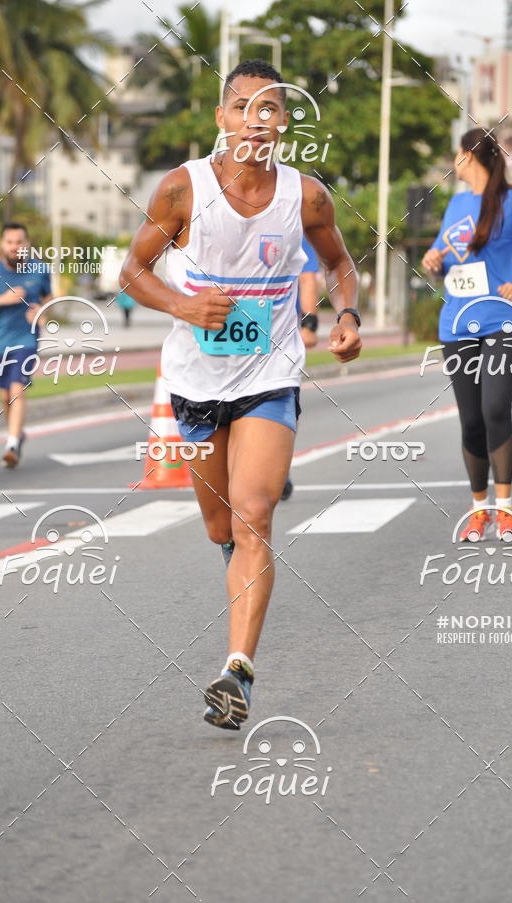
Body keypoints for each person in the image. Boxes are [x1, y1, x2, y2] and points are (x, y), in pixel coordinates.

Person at [120, 59, 362, 729]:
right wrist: (184, 306)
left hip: (270, 374)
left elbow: (340, 263)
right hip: (195, 382)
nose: (258, 119)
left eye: (271, 108)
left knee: (254, 515)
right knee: (221, 526)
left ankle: (237, 671)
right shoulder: (182, 189)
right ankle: (240, 562)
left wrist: (347, 318)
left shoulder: (306, 196)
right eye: (244, 107)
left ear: (284, 122)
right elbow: (131, 271)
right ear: (222, 119)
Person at [422, 128, 512, 541]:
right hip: (457, 324)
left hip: (506, 322)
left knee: (495, 408)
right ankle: (478, 509)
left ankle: (505, 511)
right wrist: (434, 260)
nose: (454, 162)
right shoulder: (456, 205)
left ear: (469, 157)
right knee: (470, 422)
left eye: (457, 155)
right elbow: (447, 258)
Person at [0, 223, 51, 468]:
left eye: (19, 242)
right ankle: (17, 433)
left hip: (27, 339)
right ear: (2, 244)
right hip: (0, 342)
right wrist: (3, 299)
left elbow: (48, 297)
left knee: (17, 388)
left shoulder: (40, 269)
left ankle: (11, 444)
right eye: (10, 242)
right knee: (5, 396)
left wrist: (42, 311)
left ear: (27, 244)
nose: (15, 247)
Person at [281, 235, 321, 501]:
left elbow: (307, 278)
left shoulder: (292, 228)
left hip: (278, 336)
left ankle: (278, 467)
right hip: (221, 336)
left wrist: (309, 324)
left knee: (281, 400)